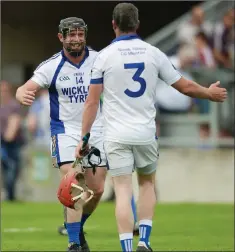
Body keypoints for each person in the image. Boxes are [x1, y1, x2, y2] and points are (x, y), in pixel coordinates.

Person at [75, 3, 227, 252]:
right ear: (137, 24)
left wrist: (84, 137)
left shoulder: (103, 57)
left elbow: (92, 102)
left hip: (116, 135)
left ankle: (126, 248)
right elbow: (185, 86)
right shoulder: (153, 53)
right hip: (145, 132)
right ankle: (144, 241)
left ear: (114, 25)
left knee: (123, 190)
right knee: (146, 184)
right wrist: (208, 93)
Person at [15, 17, 107, 252]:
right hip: (65, 131)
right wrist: (21, 94)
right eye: (71, 35)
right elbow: (25, 87)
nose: (76, 39)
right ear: (61, 37)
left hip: (96, 130)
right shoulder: (51, 66)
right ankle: (74, 244)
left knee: (96, 192)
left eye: (80, 34)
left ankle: (76, 228)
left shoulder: (99, 59)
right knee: (75, 182)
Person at [0, 80, 24, 201]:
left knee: (12, 168)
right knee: (5, 168)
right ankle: (8, 194)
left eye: (5, 90)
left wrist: (9, 135)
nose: (3, 93)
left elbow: (14, 121)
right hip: (1, 142)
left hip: (12, 143)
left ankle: (10, 194)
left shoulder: (13, 105)